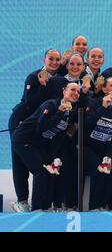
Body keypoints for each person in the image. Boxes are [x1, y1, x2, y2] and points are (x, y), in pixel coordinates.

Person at [11, 83, 80, 211]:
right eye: (72, 90)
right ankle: (36, 209)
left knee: (50, 171)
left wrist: (50, 157)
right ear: (64, 91)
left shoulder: (70, 113)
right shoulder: (51, 105)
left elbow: (58, 136)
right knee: (41, 172)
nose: (75, 93)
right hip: (23, 140)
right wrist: (59, 112)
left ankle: (46, 207)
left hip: (39, 144)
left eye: (78, 92)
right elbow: (41, 127)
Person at [8, 49, 61, 212]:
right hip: (21, 121)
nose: (54, 62)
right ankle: (22, 200)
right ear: (44, 59)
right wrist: (43, 86)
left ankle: (44, 202)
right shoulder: (34, 76)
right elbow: (30, 104)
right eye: (50, 59)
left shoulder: (59, 78)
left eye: (57, 60)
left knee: (40, 160)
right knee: (20, 161)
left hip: (38, 124)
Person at [84, 77, 112, 211]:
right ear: (104, 89)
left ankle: (104, 206)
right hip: (86, 147)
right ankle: (93, 208)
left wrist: (109, 155)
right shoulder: (94, 103)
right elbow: (86, 126)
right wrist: (103, 108)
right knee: (98, 171)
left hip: (104, 150)